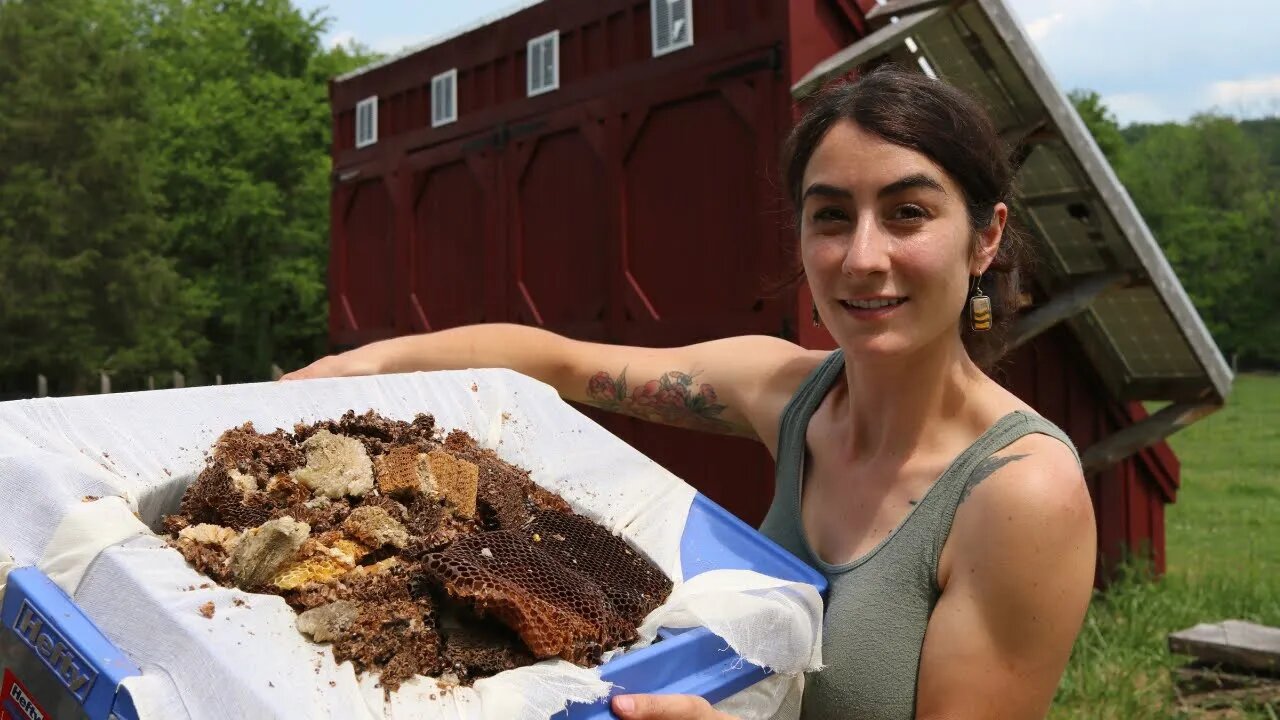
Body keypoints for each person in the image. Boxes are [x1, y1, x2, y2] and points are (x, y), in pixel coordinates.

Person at [283, 67, 1096, 720]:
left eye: (909, 213)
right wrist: (367, 364)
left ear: (985, 237)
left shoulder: (1020, 493)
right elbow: (561, 362)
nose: (862, 257)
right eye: (832, 217)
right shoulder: (785, 393)